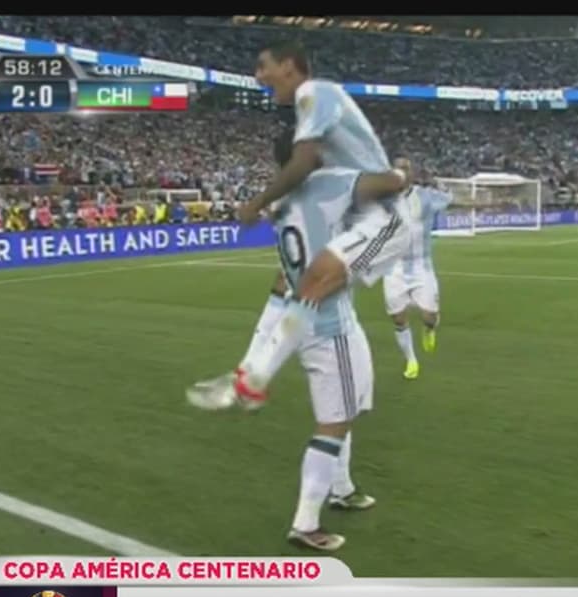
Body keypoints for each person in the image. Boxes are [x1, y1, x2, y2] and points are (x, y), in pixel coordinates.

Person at [190, 129, 410, 552]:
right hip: (330, 326)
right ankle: (306, 523)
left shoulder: (285, 203)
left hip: (309, 317)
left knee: (349, 406)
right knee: (334, 422)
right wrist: (400, 170)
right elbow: (391, 183)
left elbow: (283, 279)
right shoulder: (329, 185)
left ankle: (341, 487)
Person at [225, 40, 419, 408]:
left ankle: (256, 373)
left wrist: (257, 203)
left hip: (384, 216)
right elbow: (309, 168)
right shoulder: (315, 134)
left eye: (264, 66)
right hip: (353, 211)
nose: (258, 75)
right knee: (302, 284)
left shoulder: (313, 92)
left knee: (315, 281)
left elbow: (302, 162)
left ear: (288, 66)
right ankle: (256, 371)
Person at [384, 160, 452, 379]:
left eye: (405, 169)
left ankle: (429, 329)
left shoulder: (426, 196)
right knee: (398, 318)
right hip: (393, 269)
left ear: (411, 174)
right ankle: (411, 360)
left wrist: (440, 184)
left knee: (429, 316)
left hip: (422, 267)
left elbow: (451, 200)